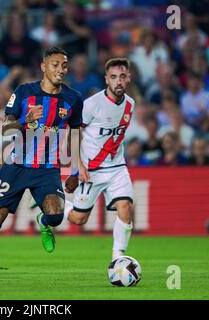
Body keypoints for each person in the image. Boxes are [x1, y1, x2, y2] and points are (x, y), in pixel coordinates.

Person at [0, 47, 83, 284]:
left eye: (64, 65)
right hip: (17, 164)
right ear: (44, 67)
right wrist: (25, 120)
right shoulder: (24, 92)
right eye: (55, 64)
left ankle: (44, 223)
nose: (60, 70)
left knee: (56, 216)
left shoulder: (73, 98)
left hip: (48, 168)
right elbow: (5, 128)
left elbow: (76, 135)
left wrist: (75, 171)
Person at [64, 58, 136, 261]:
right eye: (113, 77)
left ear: (128, 78)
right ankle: (55, 207)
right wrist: (77, 167)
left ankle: (118, 259)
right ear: (106, 79)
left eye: (122, 76)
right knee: (79, 219)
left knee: (126, 208)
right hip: (91, 169)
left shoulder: (131, 104)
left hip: (117, 167)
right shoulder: (91, 104)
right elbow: (74, 132)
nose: (118, 81)